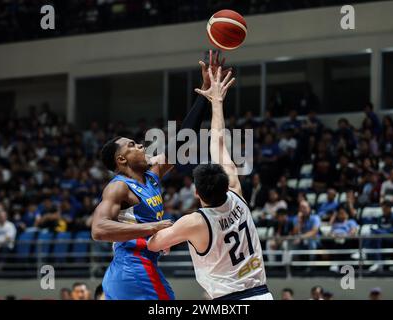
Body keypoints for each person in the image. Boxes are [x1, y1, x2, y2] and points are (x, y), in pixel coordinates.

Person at [92, 51, 229, 300]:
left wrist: (204, 94)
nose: (141, 146)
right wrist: (153, 227)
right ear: (121, 160)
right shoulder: (118, 188)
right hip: (133, 267)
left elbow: (184, 141)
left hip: (134, 269)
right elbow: (99, 229)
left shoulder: (152, 174)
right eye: (132, 145)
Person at [148, 66, 272, 300]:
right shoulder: (237, 193)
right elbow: (218, 141)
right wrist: (217, 101)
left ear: (196, 192)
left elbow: (153, 245)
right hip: (263, 295)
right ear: (226, 184)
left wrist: (165, 230)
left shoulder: (195, 221)